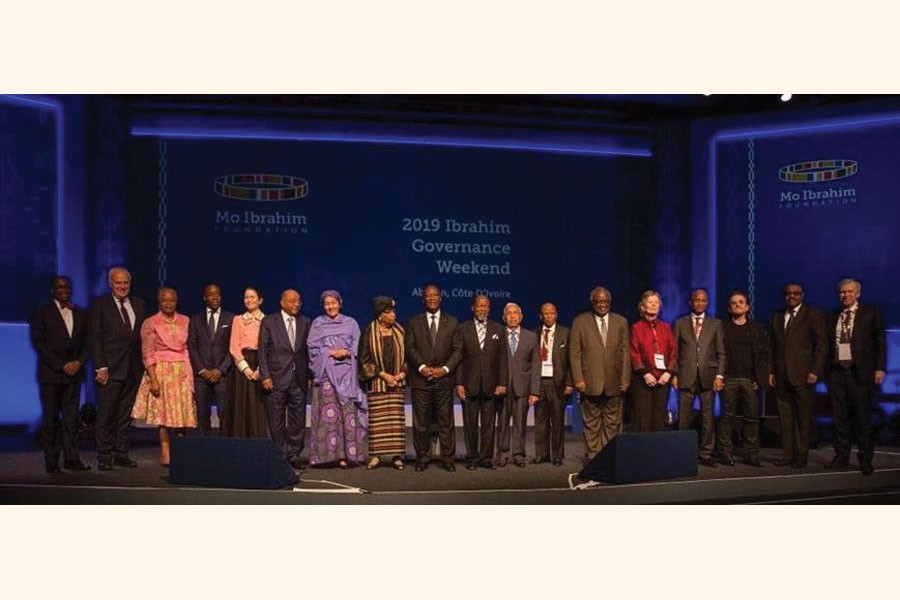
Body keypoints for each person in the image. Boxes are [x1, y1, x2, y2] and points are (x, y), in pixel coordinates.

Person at [29, 276, 91, 473]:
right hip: (51, 375)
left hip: (74, 375)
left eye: (67, 287)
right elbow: (39, 343)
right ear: (52, 290)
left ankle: (72, 459)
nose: (64, 290)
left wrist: (78, 362)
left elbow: (88, 342)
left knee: (72, 419)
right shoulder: (42, 312)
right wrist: (61, 365)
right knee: (51, 419)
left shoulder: (80, 313)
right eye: (59, 287)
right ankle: (52, 461)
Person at [824, 278, 886, 476]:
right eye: (842, 292)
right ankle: (841, 455)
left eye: (850, 292)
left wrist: (879, 368)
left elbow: (880, 342)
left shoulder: (870, 312)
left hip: (860, 372)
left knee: (862, 417)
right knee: (839, 417)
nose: (845, 295)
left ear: (857, 293)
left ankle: (865, 459)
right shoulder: (834, 315)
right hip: (836, 372)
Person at [132, 287, 197, 466]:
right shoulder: (151, 323)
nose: (168, 303)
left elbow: (188, 348)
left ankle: (181, 450)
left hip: (182, 371)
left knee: (182, 413)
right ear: (159, 302)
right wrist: (153, 378)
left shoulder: (186, 320)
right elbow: (148, 352)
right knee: (164, 415)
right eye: (164, 300)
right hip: (162, 371)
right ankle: (165, 451)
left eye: (172, 300)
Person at [89, 267, 146, 470]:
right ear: (110, 284)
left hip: (133, 369)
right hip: (110, 369)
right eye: (118, 283)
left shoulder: (139, 304)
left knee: (124, 415)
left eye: (125, 283)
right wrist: (100, 367)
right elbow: (95, 337)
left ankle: (121, 452)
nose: (122, 286)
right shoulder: (100, 305)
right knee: (106, 415)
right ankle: (104, 457)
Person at [768, 282, 827, 468]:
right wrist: (770, 371)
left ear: (802, 295)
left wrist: (815, 370)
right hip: (781, 375)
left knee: (803, 418)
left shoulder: (813, 314)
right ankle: (787, 456)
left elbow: (821, 345)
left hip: (804, 375)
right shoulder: (777, 316)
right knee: (785, 419)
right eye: (788, 294)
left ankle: (801, 458)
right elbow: (772, 347)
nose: (791, 296)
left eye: (795, 293)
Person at [405, 284, 463, 472]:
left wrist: (444, 369)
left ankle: (448, 458)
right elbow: (410, 348)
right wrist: (422, 368)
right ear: (423, 299)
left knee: (446, 421)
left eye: (435, 295)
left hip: (444, 380)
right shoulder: (414, 322)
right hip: (420, 380)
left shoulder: (453, 322)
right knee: (421, 422)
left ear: (440, 298)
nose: (431, 298)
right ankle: (422, 457)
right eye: (427, 296)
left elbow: (457, 350)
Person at [570, 286, 631, 462]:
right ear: (592, 302)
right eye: (598, 302)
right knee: (591, 422)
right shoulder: (580, 322)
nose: (602, 305)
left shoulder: (621, 322)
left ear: (610, 302)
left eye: (605, 302)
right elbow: (574, 354)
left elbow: (625, 353)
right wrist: (578, 378)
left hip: (615, 380)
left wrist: (625, 378)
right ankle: (593, 455)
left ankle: (609, 454)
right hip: (589, 381)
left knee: (612, 422)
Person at [307, 290, 367, 468]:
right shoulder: (318, 324)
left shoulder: (351, 323)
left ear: (340, 303)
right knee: (329, 418)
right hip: (326, 377)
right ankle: (326, 456)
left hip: (348, 377)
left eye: (333, 303)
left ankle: (347, 456)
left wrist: (347, 353)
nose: (330, 306)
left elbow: (359, 347)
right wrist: (332, 352)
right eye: (327, 304)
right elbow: (312, 349)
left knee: (347, 415)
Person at [673, 288, 726, 467]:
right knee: (683, 417)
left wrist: (719, 375)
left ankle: (706, 453)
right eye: (697, 300)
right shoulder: (680, 323)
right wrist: (674, 374)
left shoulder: (715, 324)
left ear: (707, 303)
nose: (700, 303)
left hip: (708, 376)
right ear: (690, 302)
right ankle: (681, 452)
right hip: (685, 376)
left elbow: (721, 353)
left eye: (703, 300)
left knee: (708, 417)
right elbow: (674, 352)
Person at [258, 289, 311, 470]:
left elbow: (307, 352)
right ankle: (279, 454)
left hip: (298, 379)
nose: (296, 304)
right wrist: (265, 376)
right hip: (276, 378)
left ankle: (294, 454)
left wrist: (309, 375)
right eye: (291, 301)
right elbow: (262, 351)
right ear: (282, 303)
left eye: (298, 301)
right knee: (276, 420)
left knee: (298, 419)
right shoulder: (269, 322)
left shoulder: (305, 322)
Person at [455, 294, 508, 470]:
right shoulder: (463, 329)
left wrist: (502, 382)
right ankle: (472, 458)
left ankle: (486, 458)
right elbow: (459, 358)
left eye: (486, 306)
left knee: (488, 425)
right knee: (470, 425)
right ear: (473, 307)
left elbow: (502, 359)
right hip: (469, 384)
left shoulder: (498, 329)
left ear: (489, 309)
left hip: (491, 385)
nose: (482, 309)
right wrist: (459, 383)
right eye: (479, 306)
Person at [716, 290, 768, 467]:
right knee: (726, 418)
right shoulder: (722, 327)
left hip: (749, 380)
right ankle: (724, 453)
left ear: (747, 307)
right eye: (733, 303)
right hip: (728, 379)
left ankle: (751, 454)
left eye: (740, 302)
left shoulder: (756, 329)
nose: (737, 305)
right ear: (729, 308)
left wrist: (758, 378)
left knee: (751, 418)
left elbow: (762, 355)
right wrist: (719, 376)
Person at [359, 296, 409, 470]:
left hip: (397, 383)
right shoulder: (369, 331)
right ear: (380, 315)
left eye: (394, 312)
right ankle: (376, 456)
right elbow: (364, 359)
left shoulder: (401, 331)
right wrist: (383, 375)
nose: (393, 315)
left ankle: (396, 456)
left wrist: (402, 373)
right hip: (378, 383)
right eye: (389, 313)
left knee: (395, 423)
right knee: (378, 422)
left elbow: (408, 356)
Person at [497, 302, 540, 467]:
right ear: (503, 317)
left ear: (521, 317)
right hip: (502, 386)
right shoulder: (497, 335)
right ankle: (502, 453)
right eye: (509, 313)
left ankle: (519, 454)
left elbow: (536, 365)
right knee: (502, 422)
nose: (512, 316)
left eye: (516, 313)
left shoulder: (531, 337)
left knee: (520, 423)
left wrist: (534, 391)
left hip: (523, 387)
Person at [187, 283, 234, 435]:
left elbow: (233, 347)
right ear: (204, 297)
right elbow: (192, 346)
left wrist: (220, 370)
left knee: (225, 415)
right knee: (202, 415)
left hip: (223, 375)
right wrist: (201, 370)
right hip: (202, 376)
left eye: (218, 294)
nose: (215, 297)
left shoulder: (231, 318)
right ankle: (204, 449)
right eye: (211, 295)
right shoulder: (195, 319)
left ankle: (225, 449)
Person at [222, 286, 268, 437]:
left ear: (260, 300)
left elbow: (269, 348)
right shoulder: (238, 320)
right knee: (241, 404)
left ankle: (258, 442)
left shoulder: (267, 321)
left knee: (258, 405)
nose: (249, 300)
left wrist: (261, 369)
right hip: (242, 365)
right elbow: (234, 347)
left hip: (261, 363)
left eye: (252, 297)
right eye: (246, 297)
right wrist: (247, 369)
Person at [629, 290, 676, 434]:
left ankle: (657, 453)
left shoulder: (666, 327)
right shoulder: (636, 328)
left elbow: (674, 352)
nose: (654, 305)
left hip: (663, 380)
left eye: (656, 302)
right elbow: (634, 352)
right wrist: (645, 373)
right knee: (642, 419)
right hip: (643, 380)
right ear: (643, 306)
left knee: (658, 419)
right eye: (650, 302)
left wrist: (668, 373)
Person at [532, 302, 572, 466]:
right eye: (545, 313)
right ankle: (541, 454)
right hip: (539, 382)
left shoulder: (566, 333)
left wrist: (570, 382)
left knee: (557, 421)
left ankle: (557, 456)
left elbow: (571, 361)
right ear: (541, 316)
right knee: (540, 421)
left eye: (552, 313)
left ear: (556, 315)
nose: (548, 316)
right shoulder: (534, 333)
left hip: (559, 383)